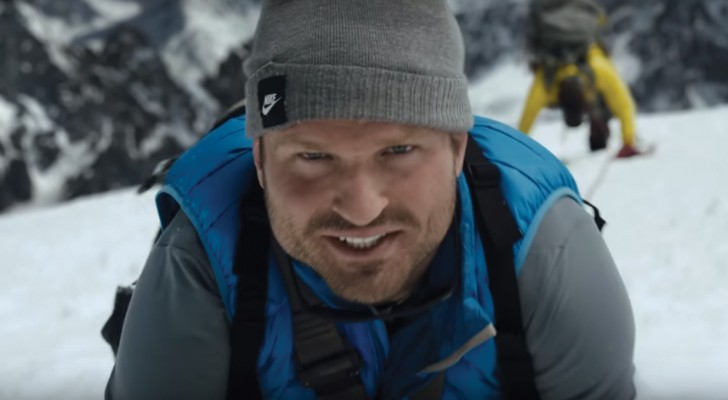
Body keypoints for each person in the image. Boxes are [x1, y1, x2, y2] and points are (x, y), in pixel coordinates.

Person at [106, 1, 636, 399]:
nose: (362, 209)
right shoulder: (199, 266)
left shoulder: (545, 253)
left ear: (457, 149)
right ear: (261, 161)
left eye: (399, 150)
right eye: (313, 157)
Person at [518, 0, 644, 158]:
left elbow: (523, 126)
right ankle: (599, 129)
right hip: (564, 21)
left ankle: (599, 128)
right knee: (603, 101)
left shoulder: (546, 84)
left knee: (604, 100)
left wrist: (628, 142)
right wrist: (629, 142)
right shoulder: (547, 83)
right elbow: (624, 106)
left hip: (582, 12)